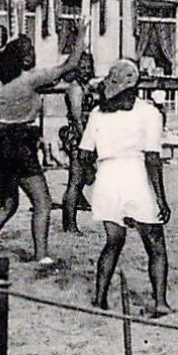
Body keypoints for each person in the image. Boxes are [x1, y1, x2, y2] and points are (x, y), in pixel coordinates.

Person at [0, 36, 83, 271]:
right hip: (20, 143)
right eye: (29, 52)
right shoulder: (31, 79)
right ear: (22, 59)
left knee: (7, 204)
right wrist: (80, 34)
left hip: (0, 141)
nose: (33, 54)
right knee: (43, 202)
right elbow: (70, 65)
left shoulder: (7, 85)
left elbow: (52, 83)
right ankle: (41, 254)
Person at [83, 59, 174, 317]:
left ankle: (99, 298)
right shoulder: (149, 113)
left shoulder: (98, 113)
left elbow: (82, 154)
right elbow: (153, 159)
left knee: (113, 241)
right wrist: (161, 199)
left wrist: (93, 179)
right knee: (155, 244)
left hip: (107, 179)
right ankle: (160, 302)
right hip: (134, 177)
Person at [60, 51, 99, 235]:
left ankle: (70, 218)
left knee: (83, 179)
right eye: (81, 67)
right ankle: (70, 225)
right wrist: (86, 143)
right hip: (79, 137)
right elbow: (76, 117)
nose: (85, 71)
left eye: (88, 67)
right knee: (75, 182)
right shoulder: (75, 88)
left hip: (86, 135)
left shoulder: (86, 86)